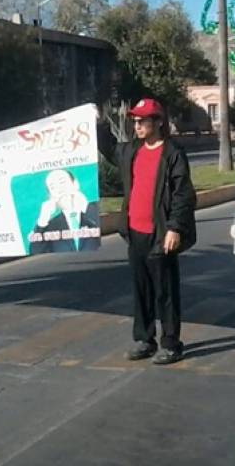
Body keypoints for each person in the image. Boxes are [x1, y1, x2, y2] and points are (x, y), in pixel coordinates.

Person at [99, 98, 197, 366]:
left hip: (161, 232)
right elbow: (107, 148)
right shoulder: (131, 150)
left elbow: (183, 194)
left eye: (143, 121)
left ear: (158, 122)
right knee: (141, 288)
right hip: (135, 231)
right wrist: (96, 121)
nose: (137, 125)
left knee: (165, 291)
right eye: (135, 121)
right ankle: (145, 339)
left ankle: (171, 343)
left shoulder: (172, 153)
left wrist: (175, 227)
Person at [29, 169, 100, 253]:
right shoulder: (49, 227)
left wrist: (86, 207)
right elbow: (35, 252)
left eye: (62, 182)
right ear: (50, 196)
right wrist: (42, 221)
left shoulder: (95, 210)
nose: (60, 190)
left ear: (75, 184)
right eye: (53, 187)